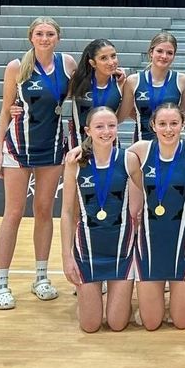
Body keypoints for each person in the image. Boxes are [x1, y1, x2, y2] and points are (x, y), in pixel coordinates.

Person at [0, 17, 77, 310]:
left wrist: (116, 77)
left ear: (58, 37)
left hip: (53, 148)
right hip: (18, 147)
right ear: (31, 37)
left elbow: (86, 91)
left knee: (43, 211)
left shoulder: (67, 64)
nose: (44, 38)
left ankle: (41, 277)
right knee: (13, 213)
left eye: (50, 33)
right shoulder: (17, 67)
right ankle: (1, 283)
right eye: (39, 34)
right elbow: (5, 111)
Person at [126, 103, 185, 329]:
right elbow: (108, 154)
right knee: (151, 323)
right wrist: (80, 150)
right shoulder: (140, 150)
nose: (168, 129)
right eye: (162, 124)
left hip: (184, 246)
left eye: (174, 123)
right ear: (153, 125)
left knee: (182, 322)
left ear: (183, 125)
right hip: (149, 247)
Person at [60, 107, 139, 332]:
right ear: (88, 131)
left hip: (122, 252)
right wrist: (67, 257)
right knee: (90, 326)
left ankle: (129, 305)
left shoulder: (128, 160)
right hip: (87, 251)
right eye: (99, 126)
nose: (106, 131)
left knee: (116, 324)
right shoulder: (75, 162)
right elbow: (66, 213)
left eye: (112, 125)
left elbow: (146, 195)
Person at [121, 32, 185, 142]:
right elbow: (124, 114)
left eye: (169, 53)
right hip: (142, 142)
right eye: (159, 51)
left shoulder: (181, 80)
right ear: (151, 52)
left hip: (172, 142)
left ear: (174, 56)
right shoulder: (133, 81)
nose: (164, 56)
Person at [69, 39, 124, 149]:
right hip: (79, 144)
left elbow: (128, 113)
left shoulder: (121, 82)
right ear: (92, 63)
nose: (111, 62)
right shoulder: (77, 79)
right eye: (103, 58)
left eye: (113, 56)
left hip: (109, 143)